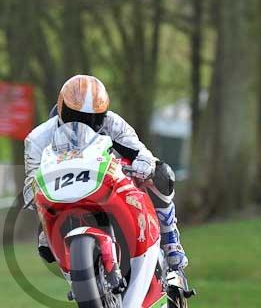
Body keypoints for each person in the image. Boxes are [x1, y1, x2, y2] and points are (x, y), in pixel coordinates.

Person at [22, 74, 188, 270]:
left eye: (92, 117)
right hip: (62, 190)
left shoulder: (113, 123)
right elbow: (33, 180)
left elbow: (139, 151)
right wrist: (33, 194)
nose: (83, 122)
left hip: (105, 178)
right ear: (61, 108)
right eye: (76, 116)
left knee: (162, 173)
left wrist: (144, 163)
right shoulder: (37, 139)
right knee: (45, 246)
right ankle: (79, 274)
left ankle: (170, 238)